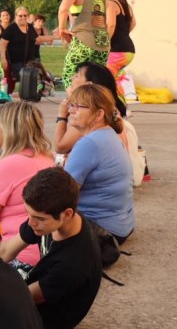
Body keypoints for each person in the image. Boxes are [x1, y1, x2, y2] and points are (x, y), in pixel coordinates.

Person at [0, 167, 102, 329]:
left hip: (42, 319)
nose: (31, 222)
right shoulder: (49, 220)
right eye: (28, 213)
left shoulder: (74, 263)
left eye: (38, 218)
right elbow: (6, 251)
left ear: (67, 214)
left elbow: (22, 299)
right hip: (35, 292)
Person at [0, 102, 54, 270]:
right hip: (45, 252)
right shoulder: (46, 159)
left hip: (15, 253)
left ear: (9, 128)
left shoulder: (7, 165)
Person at [63, 83, 135, 242]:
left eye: (78, 106)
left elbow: (63, 194)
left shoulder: (90, 144)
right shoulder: (108, 134)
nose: (70, 111)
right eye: (71, 105)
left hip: (103, 230)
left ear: (98, 115)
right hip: (121, 225)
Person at [54, 62, 146, 186]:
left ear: (89, 85)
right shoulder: (109, 113)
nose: (72, 78)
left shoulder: (90, 133)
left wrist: (62, 116)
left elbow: (60, 147)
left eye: (77, 75)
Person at [57, 0, 109, 85]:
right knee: (97, 82)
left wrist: (62, 29)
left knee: (70, 77)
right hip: (103, 42)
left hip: (83, 41)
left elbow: (63, 9)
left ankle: (76, 105)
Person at [0, 6, 54, 94]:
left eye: (25, 16)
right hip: (15, 61)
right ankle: (22, 96)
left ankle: (30, 96)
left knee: (33, 78)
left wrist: (55, 37)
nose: (23, 18)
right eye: (20, 16)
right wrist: (3, 58)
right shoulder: (11, 28)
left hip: (29, 60)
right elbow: (2, 43)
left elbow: (37, 39)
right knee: (20, 81)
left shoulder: (30, 27)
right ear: (15, 16)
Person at [101, 0, 136, 101]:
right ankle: (121, 109)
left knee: (107, 81)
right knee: (114, 79)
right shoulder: (126, 5)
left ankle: (119, 110)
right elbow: (133, 23)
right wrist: (123, 35)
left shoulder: (110, 4)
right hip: (128, 50)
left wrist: (105, 43)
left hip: (116, 51)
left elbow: (110, 25)